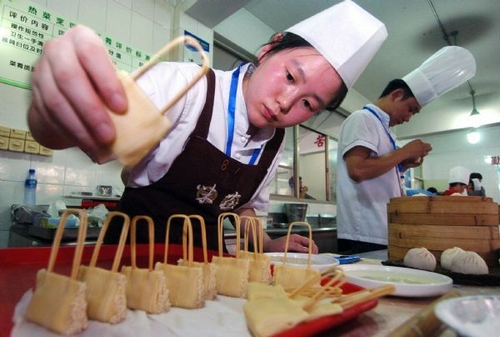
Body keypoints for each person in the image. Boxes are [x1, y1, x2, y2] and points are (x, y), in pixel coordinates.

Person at [27, 1, 387, 254]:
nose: (285, 103)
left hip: (209, 264)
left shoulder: (274, 142)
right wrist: (51, 117)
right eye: (291, 75)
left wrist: (267, 244)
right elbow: (94, 137)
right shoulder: (188, 85)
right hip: (131, 253)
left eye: (308, 104)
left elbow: (246, 210)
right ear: (269, 49)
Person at [336, 46, 476, 254]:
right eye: (411, 109)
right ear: (397, 95)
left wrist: (402, 166)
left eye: (415, 113)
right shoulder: (362, 119)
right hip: (363, 233)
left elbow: (375, 177)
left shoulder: (386, 130)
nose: (409, 117)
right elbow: (358, 170)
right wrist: (404, 152)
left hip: (382, 229)